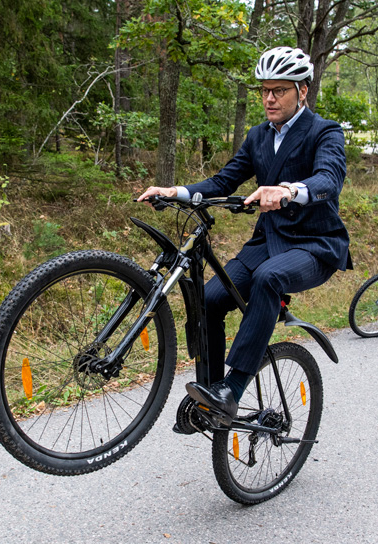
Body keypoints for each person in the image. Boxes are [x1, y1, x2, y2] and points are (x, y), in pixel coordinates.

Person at [136, 46, 350, 426]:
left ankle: (231, 389)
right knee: (208, 299)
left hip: (315, 245)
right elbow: (222, 181)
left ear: (302, 90)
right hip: (267, 242)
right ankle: (210, 396)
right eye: (264, 90)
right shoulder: (257, 137)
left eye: (279, 90)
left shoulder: (325, 132)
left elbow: (328, 180)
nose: (269, 98)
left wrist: (287, 189)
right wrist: (177, 191)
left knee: (270, 279)